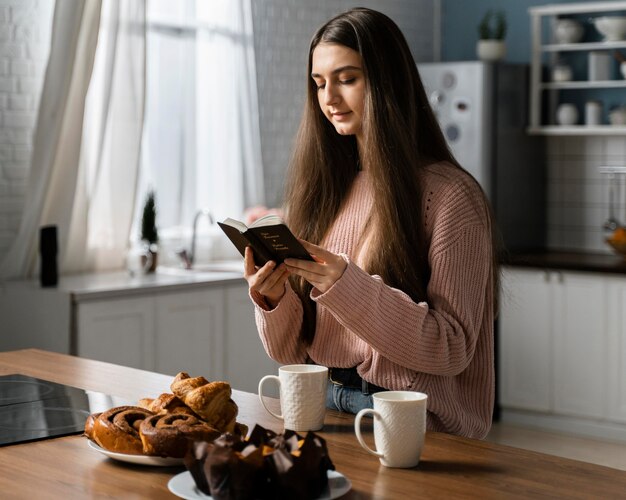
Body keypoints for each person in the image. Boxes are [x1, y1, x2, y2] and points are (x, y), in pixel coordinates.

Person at [243, 7, 499, 439]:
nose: (328, 99)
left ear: (387, 82)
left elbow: (452, 347)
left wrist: (346, 284)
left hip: (405, 415)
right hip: (321, 401)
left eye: (347, 79)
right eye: (319, 83)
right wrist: (271, 302)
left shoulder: (451, 196)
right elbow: (289, 352)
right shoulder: (323, 191)